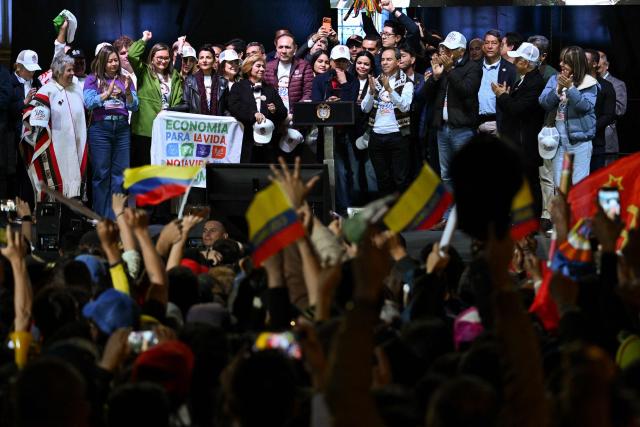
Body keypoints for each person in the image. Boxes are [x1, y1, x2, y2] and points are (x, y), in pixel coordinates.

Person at [420, 31, 482, 226]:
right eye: (446, 48)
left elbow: (467, 91)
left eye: (452, 49)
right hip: (442, 128)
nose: (447, 51)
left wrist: (450, 71)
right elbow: (425, 96)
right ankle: (448, 216)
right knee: (446, 174)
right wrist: (436, 77)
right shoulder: (442, 68)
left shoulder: (472, 67)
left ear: (461, 51)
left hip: (462, 129)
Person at [22, 53, 87, 202]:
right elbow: (31, 118)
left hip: (76, 145)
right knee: (57, 185)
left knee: (74, 186)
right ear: (58, 72)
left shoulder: (77, 90)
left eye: (73, 70)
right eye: (69, 70)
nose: (72, 73)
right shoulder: (46, 91)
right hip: (55, 148)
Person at [84, 45, 139, 219]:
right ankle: (101, 217)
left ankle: (116, 217)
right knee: (101, 174)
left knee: (120, 175)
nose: (114, 63)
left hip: (122, 128)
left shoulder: (125, 79)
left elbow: (134, 106)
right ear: (102, 62)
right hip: (101, 129)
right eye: (110, 61)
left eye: (116, 60)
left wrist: (128, 91)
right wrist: (106, 93)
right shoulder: (92, 79)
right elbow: (89, 103)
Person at [493, 42, 545, 217]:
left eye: (517, 60)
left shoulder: (535, 82)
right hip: (517, 140)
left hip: (526, 143)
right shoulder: (523, 80)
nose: (513, 63)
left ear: (526, 63)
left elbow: (517, 109)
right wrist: (505, 96)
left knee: (530, 182)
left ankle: (533, 220)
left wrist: (502, 96)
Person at [539, 46, 597, 187]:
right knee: (560, 186)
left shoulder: (589, 82)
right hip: (558, 143)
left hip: (580, 142)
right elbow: (544, 102)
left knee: (580, 186)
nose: (561, 65)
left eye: (565, 62)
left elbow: (586, 107)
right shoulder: (554, 79)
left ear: (575, 63)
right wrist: (557, 89)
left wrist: (570, 88)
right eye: (561, 61)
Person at [361, 46, 414, 196]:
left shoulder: (406, 82)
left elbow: (405, 107)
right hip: (376, 135)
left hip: (397, 135)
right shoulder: (376, 80)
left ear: (398, 61)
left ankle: (402, 215)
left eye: (389, 59)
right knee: (382, 179)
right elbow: (365, 108)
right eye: (382, 59)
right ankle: (386, 215)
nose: (384, 62)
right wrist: (371, 92)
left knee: (400, 179)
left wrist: (389, 89)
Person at [311, 45, 358, 212]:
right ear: (331, 61)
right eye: (337, 61)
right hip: (327, 133)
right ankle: (332, 208)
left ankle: (345, 209)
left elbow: (351, 105)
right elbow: (316, 103)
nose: (339, 65)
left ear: (348, 63)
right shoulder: (320, 80)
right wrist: (327, 103)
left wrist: (344, 84)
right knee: (334, 171)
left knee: (349, 173)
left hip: (346, 133)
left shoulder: (352, 81)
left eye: (343, 61)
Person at [128, 30, 183, 167]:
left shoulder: (174, 76)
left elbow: (178, 99)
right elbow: (132, 55)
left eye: (166, 58)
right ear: (152, 57)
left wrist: (169, 112)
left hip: (167, 130)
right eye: (159, 57)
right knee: (144, 167)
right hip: (145, 130)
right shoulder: (144, 72)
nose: (163, 61)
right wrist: (144, 39)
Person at [228, 54, 287, 163]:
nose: (262, 69)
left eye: (263, 66)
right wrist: (253, 114)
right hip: (246, 140)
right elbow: (234, 107)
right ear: (249, 68)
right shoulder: (238, 87)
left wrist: (275, 110)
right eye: (258, 66)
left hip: (268, 143)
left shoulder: (270, 89)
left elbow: (283, 112)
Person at [528, 34, 558, 232]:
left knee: (546, 175)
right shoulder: (520, 71)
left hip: (545, 129)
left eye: (533, 51)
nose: (528, 55)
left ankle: (547, 214)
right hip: (526, 129)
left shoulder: (551, 74)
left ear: (543, 55)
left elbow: (550, 106)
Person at [7, 50, 41, 204]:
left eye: (34, 68)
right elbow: (6, 108)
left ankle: (29, 208)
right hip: (11, 136)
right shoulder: (8, 82)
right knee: (13, 173)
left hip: (31, 136)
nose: (32, 72)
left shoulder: (36, 83)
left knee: (29, 173)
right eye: (29, 68)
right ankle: (12, 210)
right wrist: (24, 102)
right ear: (18, 67)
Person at [477, 30, 516, 136]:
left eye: (494, 43)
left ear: (500, 45)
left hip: (498, 124)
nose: (490, 46)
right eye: (487, 42)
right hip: (475, 124)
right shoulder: (475, 66)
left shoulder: (510, 69)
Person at [174, 45, 228, 116]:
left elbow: (225, 108)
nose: (204, 60)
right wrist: (169, 110)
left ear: (214, 60)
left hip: (217, 124)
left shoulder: (223, 82)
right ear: (198, 61)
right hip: (197, 123)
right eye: (201, 58)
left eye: (208, 57)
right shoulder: (190, 80)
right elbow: (186, 105)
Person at [584, 49, 615, 173]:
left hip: (595, 142)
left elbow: (608, 115)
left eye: (585, 60)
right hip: (572, 143)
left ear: (595, 64)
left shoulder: (606, 86)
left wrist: (589, 129)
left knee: (593, 181)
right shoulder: (573, 83)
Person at [597, 50, 627, 166]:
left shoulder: (617, 84)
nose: (595, 69)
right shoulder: (588, 82)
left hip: (607, 136)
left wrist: (598, 107)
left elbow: (620, 109)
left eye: (598, 67)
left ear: (606, 66)